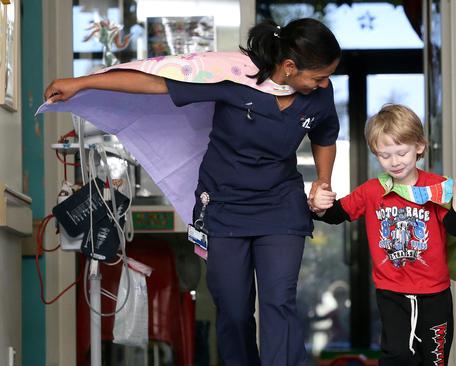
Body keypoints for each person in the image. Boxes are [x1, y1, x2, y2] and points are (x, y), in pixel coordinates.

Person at [45, 18, 341, 365]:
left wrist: (323, 180)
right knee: (233, 310)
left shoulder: (319, 96)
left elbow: (325, 135)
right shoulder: (232, 77)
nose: (324, 83)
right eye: (318, 76)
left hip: (280, 206)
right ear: (289, 67)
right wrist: (81, 83)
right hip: (223, 206)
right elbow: (155, 82)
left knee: (279, 302)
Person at [311, 104, 456, 365]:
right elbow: (336, 214)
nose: (394, 162)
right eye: (385, 155)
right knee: (397, 356)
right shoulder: (372, 191)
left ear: (419, 146)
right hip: (392, 292)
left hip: (434, 293)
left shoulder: (437, 187)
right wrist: (319, 204)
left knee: (434, 360)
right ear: (375, 153)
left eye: (401, 152)